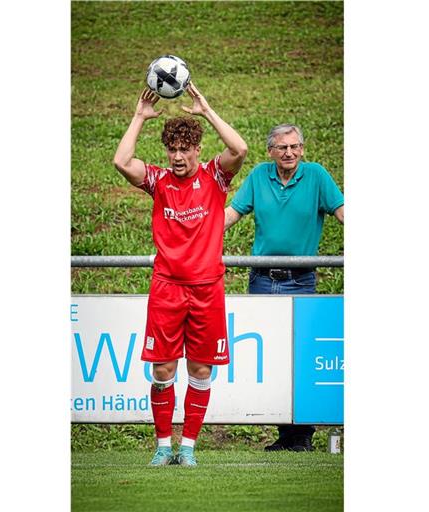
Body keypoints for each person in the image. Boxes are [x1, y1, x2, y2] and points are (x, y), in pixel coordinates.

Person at [113, 84, 248, 466]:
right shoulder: (158, 181)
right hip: (168, 287)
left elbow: (240, 149)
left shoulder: (215, 178)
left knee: (201, 368)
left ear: (197, 150)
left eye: (183, 149)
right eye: (171, 149)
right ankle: (162, 447)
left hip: (207, 289)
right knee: (163, 368)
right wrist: (139, 116)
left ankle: (187, 448)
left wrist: (206, 110)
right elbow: (122, 161)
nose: (176, 157)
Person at [224, 123, 344, 452]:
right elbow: (231, 214)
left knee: (301, 356)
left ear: (302, 149)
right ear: (271, 152)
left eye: (294, 146)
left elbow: (342, 211)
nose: (288, 152)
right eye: (282, 147)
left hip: (301, 279)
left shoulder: (317, 176)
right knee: (272, 357)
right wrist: (195, 234)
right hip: (263, 279)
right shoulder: (260, 176)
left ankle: (303, 435)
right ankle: (285, 433)